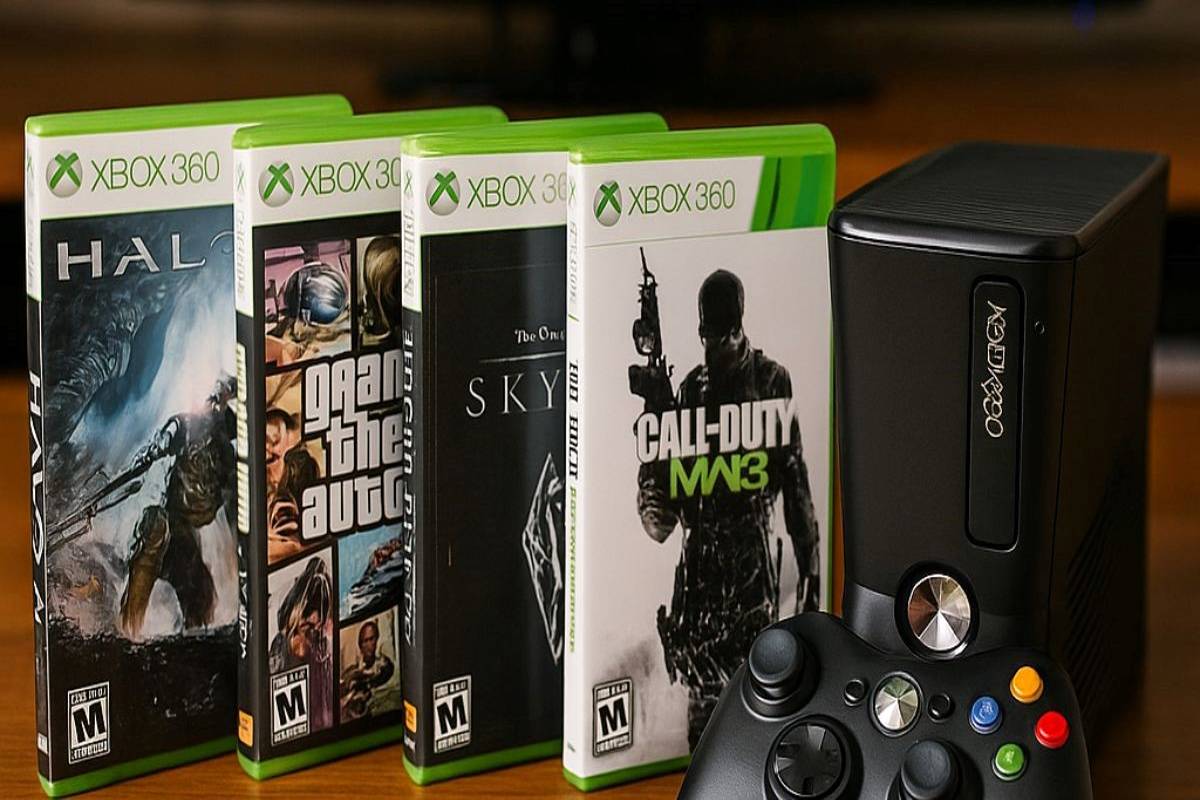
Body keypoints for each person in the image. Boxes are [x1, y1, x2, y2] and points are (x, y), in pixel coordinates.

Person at [636, 269, 820, 749]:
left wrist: (811, 571)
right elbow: (660, 522)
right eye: (707, 335)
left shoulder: (771, 380)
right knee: (704, 736)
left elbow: (795, 483)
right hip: (699, 595)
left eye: (721, 335)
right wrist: (655, 424)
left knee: (759, 720)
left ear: (738, 326)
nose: (712, 346)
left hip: (750, 585)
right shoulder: (690, 391)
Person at [340, 619, 397, 720]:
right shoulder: (351, 671)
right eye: (365, 641)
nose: (369, 644)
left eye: (372, 639)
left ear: (377, 639)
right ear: (360, 645)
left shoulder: (384, 666)